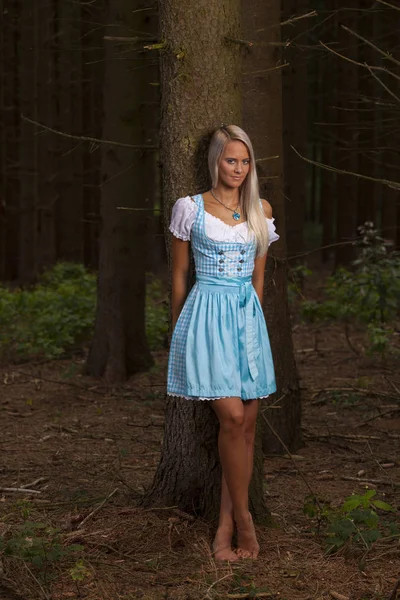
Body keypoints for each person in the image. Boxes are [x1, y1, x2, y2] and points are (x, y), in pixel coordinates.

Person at [167, 125, 279, 561]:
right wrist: (179, 332)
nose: (238, 168)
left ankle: (224, 526)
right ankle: (246, 520)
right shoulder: (191, 208)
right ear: (216, 161)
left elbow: (259, 277)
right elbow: (178, 276)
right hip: (206, 315)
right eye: (230, 159)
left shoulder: (260, 209)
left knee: (247, 426)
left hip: (246, 319)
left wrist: (254, 324)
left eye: (245, 160)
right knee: (232, 417)